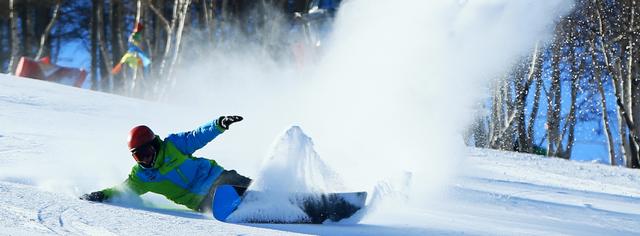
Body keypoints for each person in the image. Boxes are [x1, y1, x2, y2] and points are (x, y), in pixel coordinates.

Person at [80, 116, 251, 213]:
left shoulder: (173, 146)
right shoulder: (142, 177)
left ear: (154, 146)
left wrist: (218, 125)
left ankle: (270, 201)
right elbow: (122, 191)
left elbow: (197, 137)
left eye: (146, 153)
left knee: (249, 187)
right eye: (138, 156)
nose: (144, 159)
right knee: (224, 205)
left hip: (217, 177)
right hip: (201, 200)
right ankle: (250, 212)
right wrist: (100, 195)